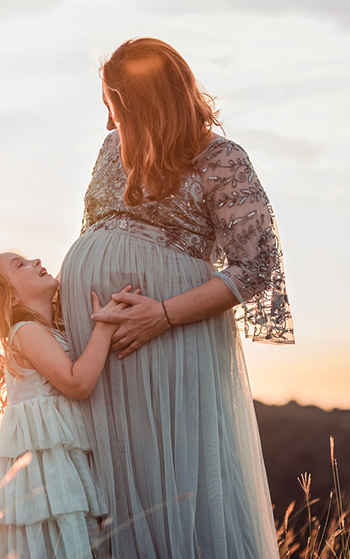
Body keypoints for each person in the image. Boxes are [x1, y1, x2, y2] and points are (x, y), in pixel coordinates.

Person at [58, 37, 295, 558]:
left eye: (114, 107)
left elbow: (256, 267)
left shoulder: (221, 159)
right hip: (98, 348)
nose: (107, 123)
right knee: (109, 480)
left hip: (168, 341)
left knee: (169, 476)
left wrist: (163, 314)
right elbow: (91, 234)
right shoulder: (109, 150)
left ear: (146, 103)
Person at [0, 252, 131, 559]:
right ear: (12, 298)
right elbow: (77, 382)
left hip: (63, 466)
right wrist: (105, 327)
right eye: (21, 265)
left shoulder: (48, 329)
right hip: (48, 474)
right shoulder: (25, 331)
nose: (36, 261)